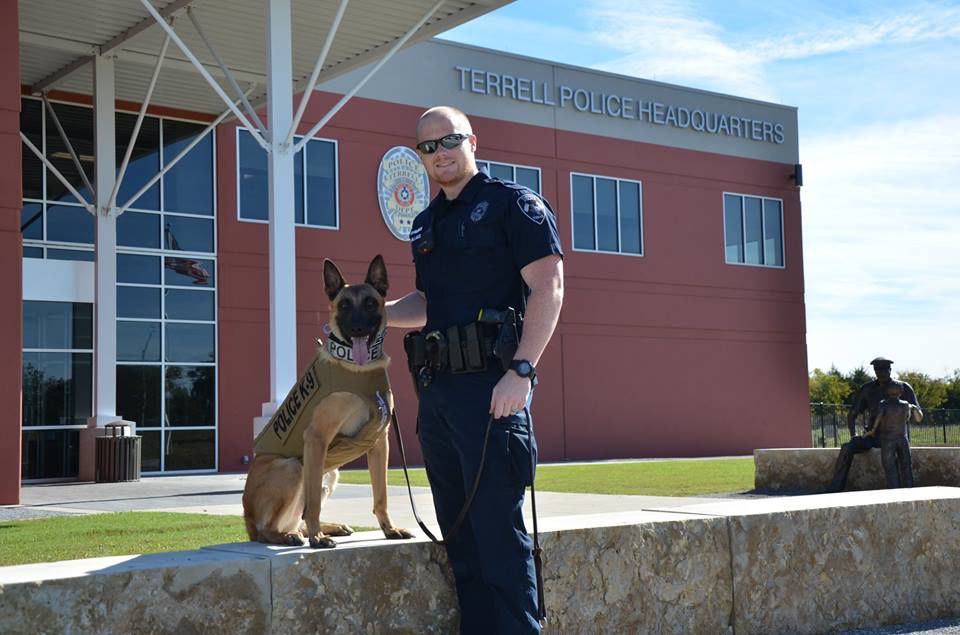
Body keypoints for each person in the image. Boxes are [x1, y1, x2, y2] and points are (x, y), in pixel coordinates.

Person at [386, 106, 563, 634]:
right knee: (459, 542)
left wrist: (523, 372)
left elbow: (548, 287)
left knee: (498, 540)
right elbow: (427, 301)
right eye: (427, 147)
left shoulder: (515, 206)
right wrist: (372, 319)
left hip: (493, 392)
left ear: (472, 142)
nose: (438, 154)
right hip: (438, 398)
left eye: (448, 141)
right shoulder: (426, 223)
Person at [827, 357, 921, 492]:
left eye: (883, 369)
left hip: (893, 436)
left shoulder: (903, 388)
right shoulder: (867, 389)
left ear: (890, 370)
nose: (880, 372)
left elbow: (917, 413)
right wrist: (854, 435)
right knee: (847, 448)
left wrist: (910, 411)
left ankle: (902, 492)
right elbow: (853, 413)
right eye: (877, 369)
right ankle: (835, 488)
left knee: (897, 460)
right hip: (872, 436)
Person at [866, 380, 923, 488]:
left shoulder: (883, 404)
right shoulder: (906, 405)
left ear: (887, 391)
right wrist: (914, 408)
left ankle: (894, 489)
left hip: (888, 439)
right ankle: (909, 487)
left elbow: (878, 418)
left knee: (889, 465)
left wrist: (873, 430)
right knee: (906, 465)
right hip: (902, 438)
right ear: (901, 392)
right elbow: (918, 418)